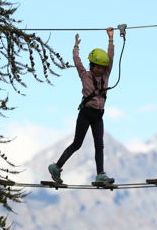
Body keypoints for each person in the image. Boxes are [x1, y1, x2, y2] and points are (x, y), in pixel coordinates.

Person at [48, 27, 115, 184]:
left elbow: (110, 57)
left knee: (100, 145)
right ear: (92, 65)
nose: (100, 70)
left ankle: (100, 174)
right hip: (86, 113)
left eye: (102, 67)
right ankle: (56, 167)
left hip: (98, 115)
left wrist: (111, 39)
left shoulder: (106, 75)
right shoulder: (85, 75)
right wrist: (76, 46)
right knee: (77, 143)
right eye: (97, 66)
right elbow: (77, 61)